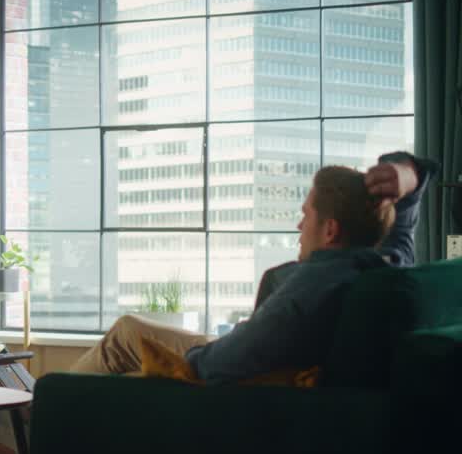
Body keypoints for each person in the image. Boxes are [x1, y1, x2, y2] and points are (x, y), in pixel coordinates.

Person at [70, 152, 438, 382]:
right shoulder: (387, 263)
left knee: (124, 350)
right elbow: (403, 219)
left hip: (230, 376)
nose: (298, 226)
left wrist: (195, 358)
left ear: (330, 229)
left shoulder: (311, 287)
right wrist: (408, 173)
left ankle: (42, 412)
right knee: (129, 329)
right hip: (254, 359)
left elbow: (234, 356)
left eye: (304, 215)